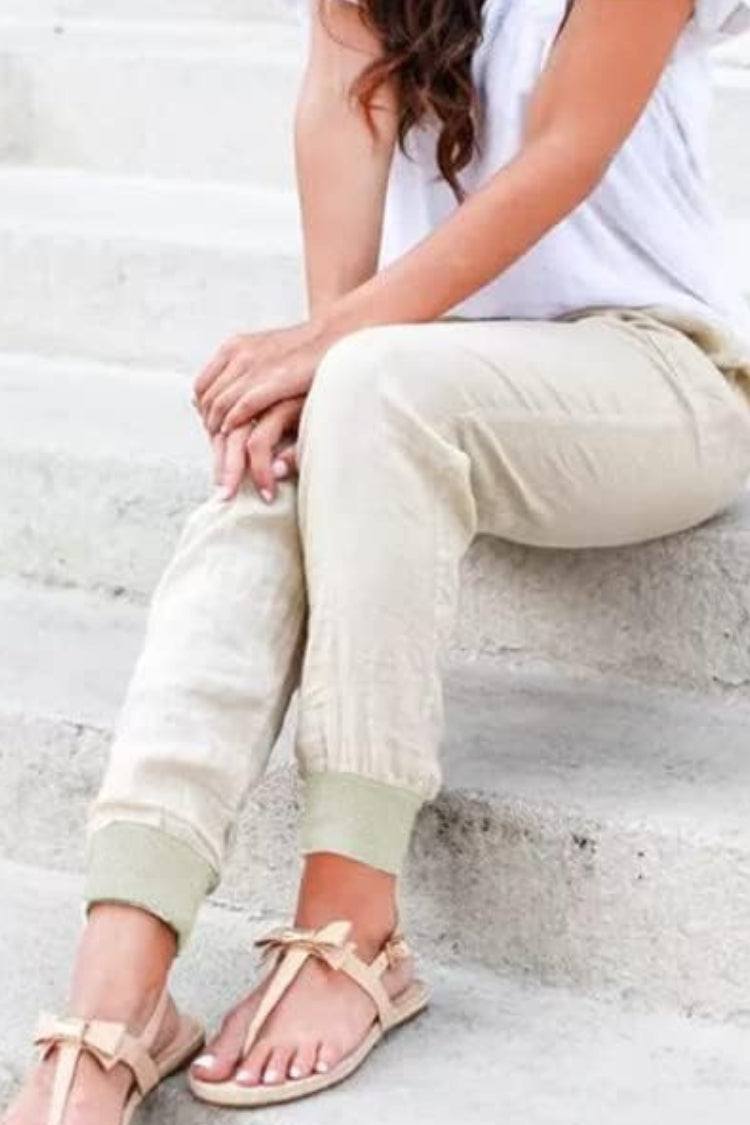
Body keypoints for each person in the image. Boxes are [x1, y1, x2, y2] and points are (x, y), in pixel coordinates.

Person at [6, 0, 750, 1121]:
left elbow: (564, 155)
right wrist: (324, 374)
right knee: (278, 473)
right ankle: (119, 983)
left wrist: (336, 348)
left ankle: (357, 924)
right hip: (433, 369)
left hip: (660, 374)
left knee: (360, 386)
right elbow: (340, 105)